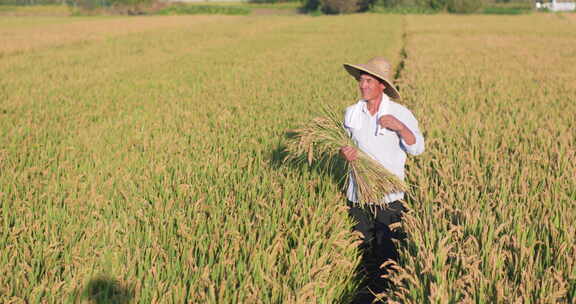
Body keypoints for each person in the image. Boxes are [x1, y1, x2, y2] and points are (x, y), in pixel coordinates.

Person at [339, 57, 425, 294]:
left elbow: (417, 148)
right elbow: (342, 143)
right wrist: (344, 152)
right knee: (361, 249)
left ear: (382, 85)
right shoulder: (352, 113)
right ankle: (363, 293)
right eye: (361, 80)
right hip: (357, 193)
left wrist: (400, 127)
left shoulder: (399, 113)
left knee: (387, 250)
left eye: (368, 81)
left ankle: (387, 293)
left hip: (389, 196)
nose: (363, 85)